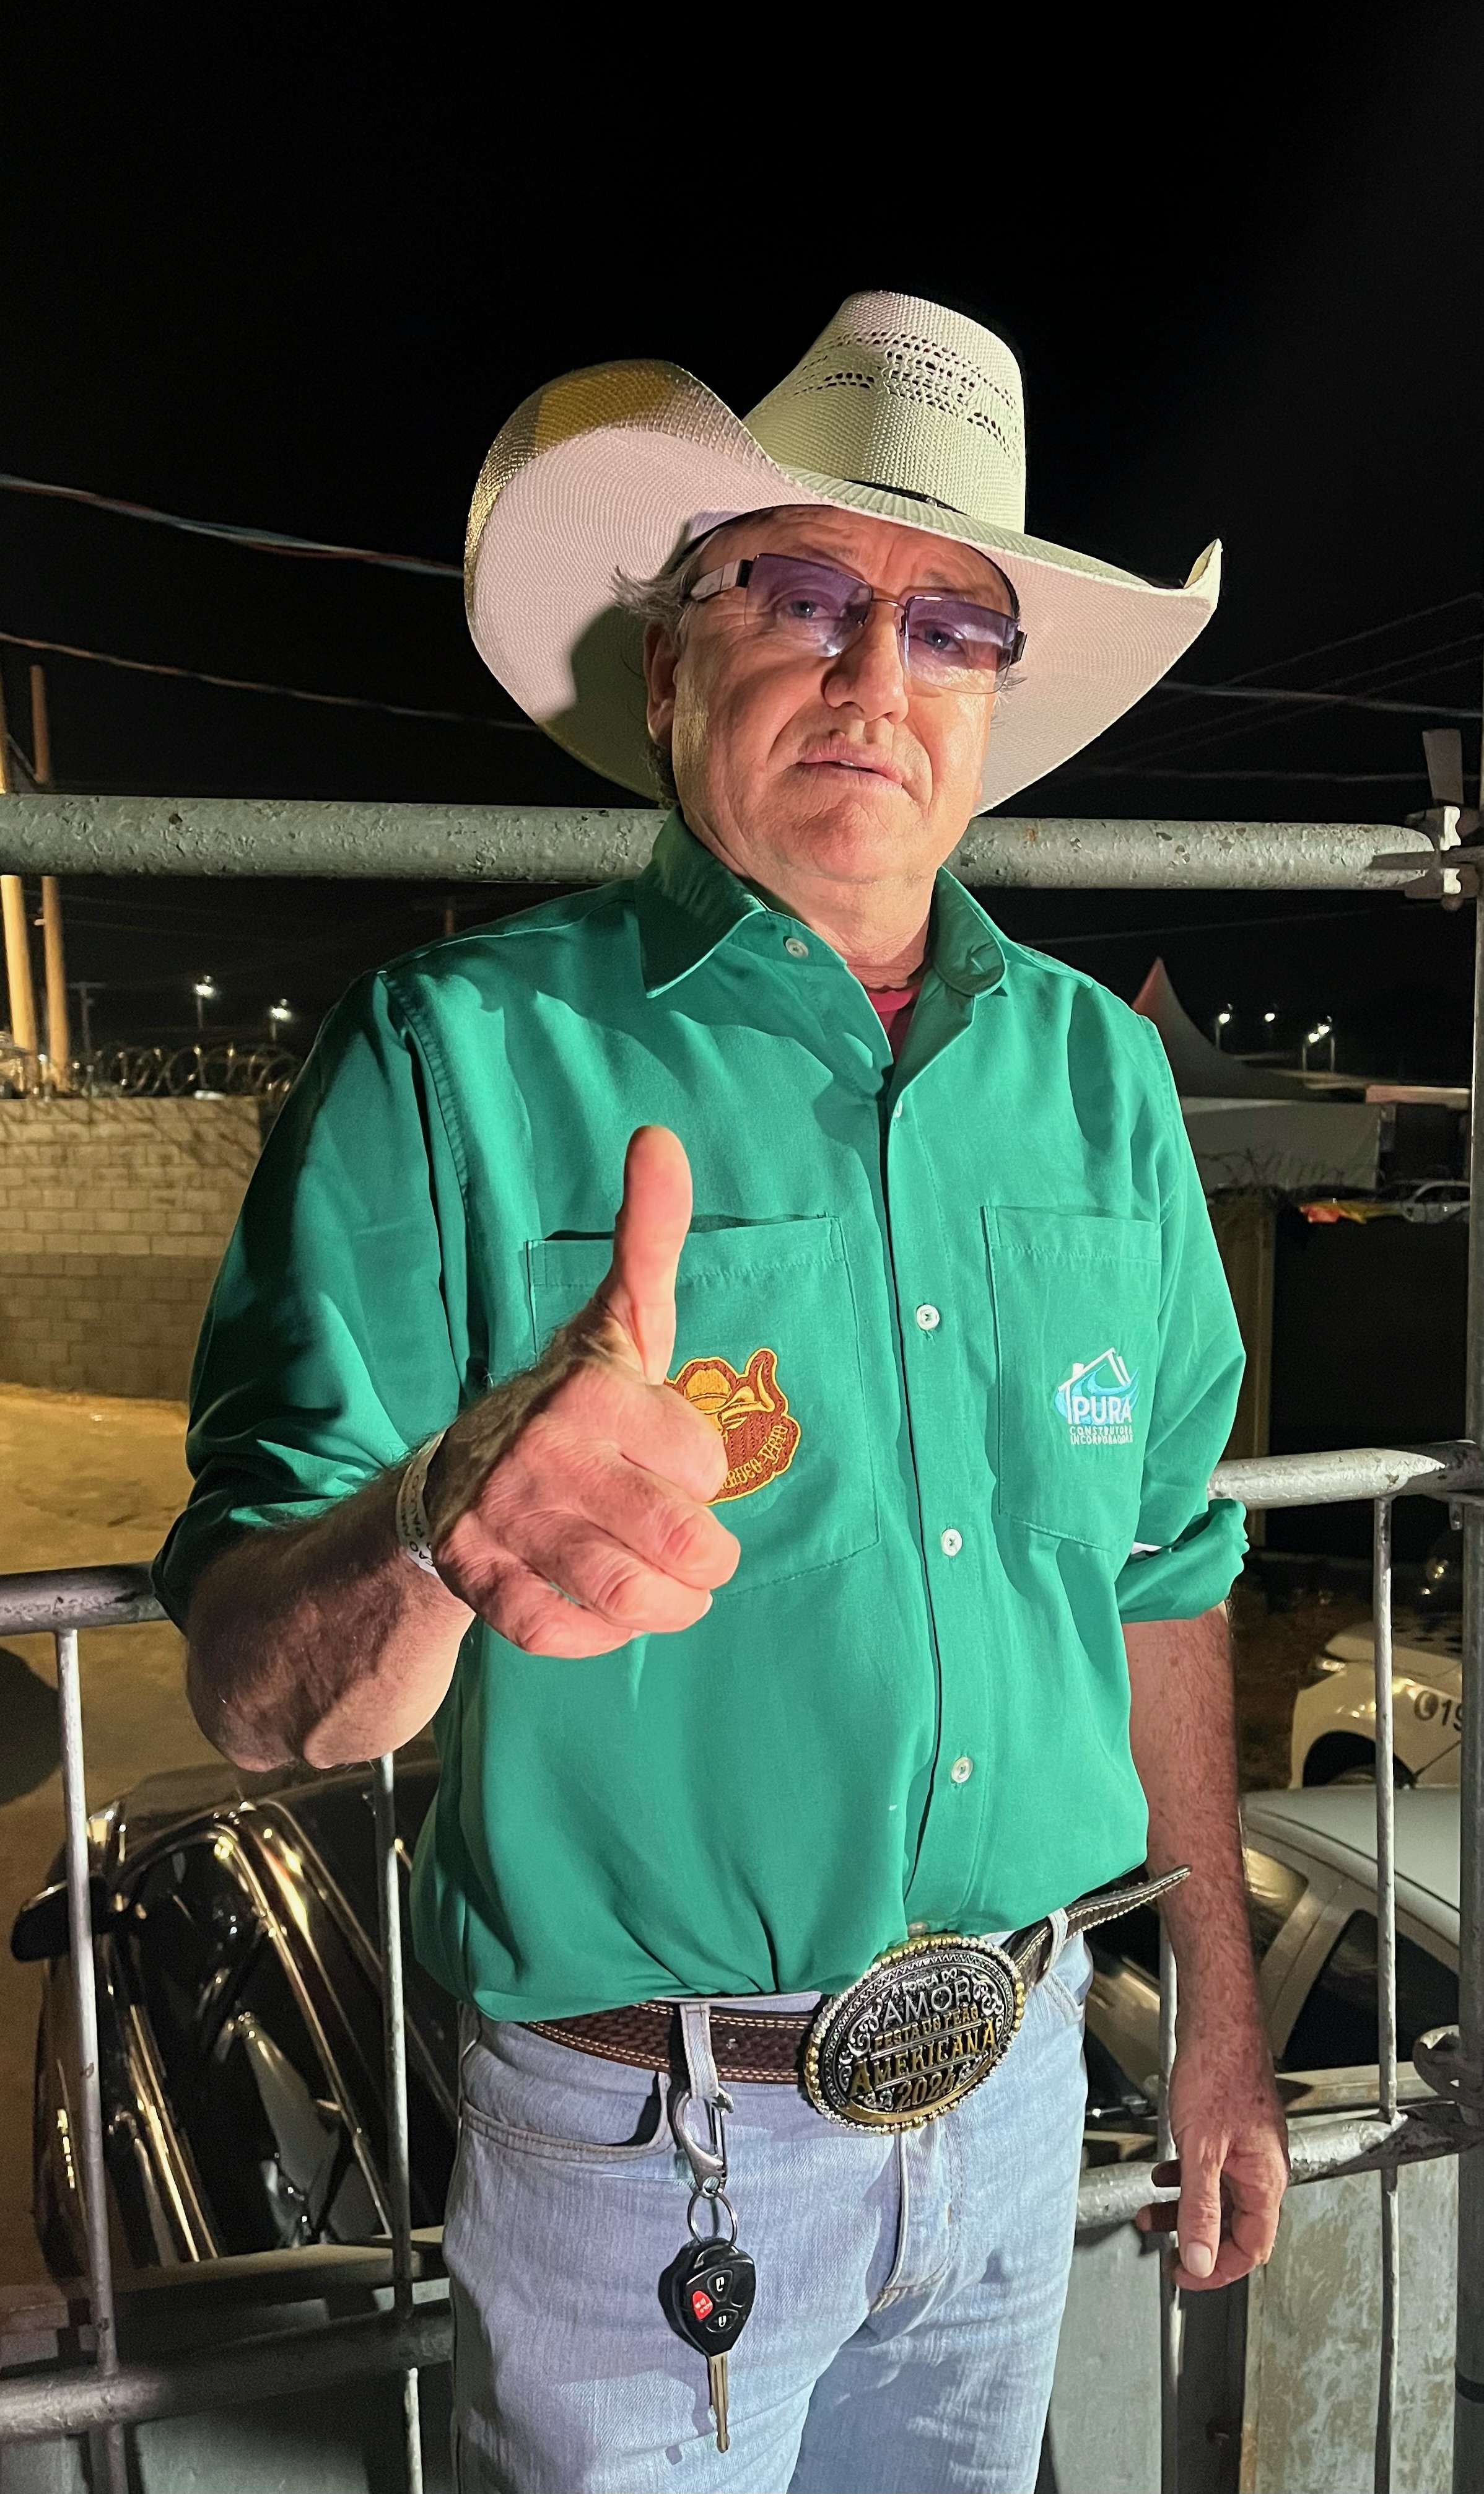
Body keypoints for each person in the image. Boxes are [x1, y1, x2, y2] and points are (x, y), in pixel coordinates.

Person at [157, 292, 1290, 2494]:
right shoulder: (453, 1059)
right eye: (801, 597)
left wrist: (1218, 2024)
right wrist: (434, 1524)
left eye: (949, 627)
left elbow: (1160, 1573)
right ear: (669, 670)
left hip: (1020, 2090)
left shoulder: (1102, 1077)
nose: (876, 677)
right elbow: (256, 1697)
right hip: (639, 2158)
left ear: (990, 709)